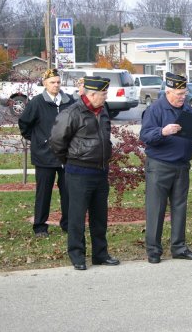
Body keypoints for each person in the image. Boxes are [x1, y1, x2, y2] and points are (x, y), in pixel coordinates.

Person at [49, 76, 120, 271]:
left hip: (100, 171)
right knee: (77, 216)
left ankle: (100, 254)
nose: (106, 97)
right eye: (103, 94)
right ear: (91, 94)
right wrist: (71, 160)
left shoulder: (103, 111)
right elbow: (57, 141)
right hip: (78, 172)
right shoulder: (72, 112)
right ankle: (77, 255)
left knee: (100, 216)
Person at [140, 72, 192, 264]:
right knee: (156, 208)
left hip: (181, 166)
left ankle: (179, 247)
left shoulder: (187, 108)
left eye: (184, 93)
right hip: (160, 165)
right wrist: (162, 131)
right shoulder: (155, 109)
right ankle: (153, 250)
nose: (183, 97)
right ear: (168, 92)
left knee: (180, 208)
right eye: (179, 94)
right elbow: (145, 136)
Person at [18, 68, 75, 237]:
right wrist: (39, 141)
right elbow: (24, 124)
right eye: (52, 82)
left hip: (66, 156)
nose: (56, 85)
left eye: (58, 82)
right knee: (43, 193)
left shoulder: (69, 101)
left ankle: (68, 224)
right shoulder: (36, 102)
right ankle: (40, 226)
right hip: (44, 157)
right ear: (45, 84)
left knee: (69, 193)